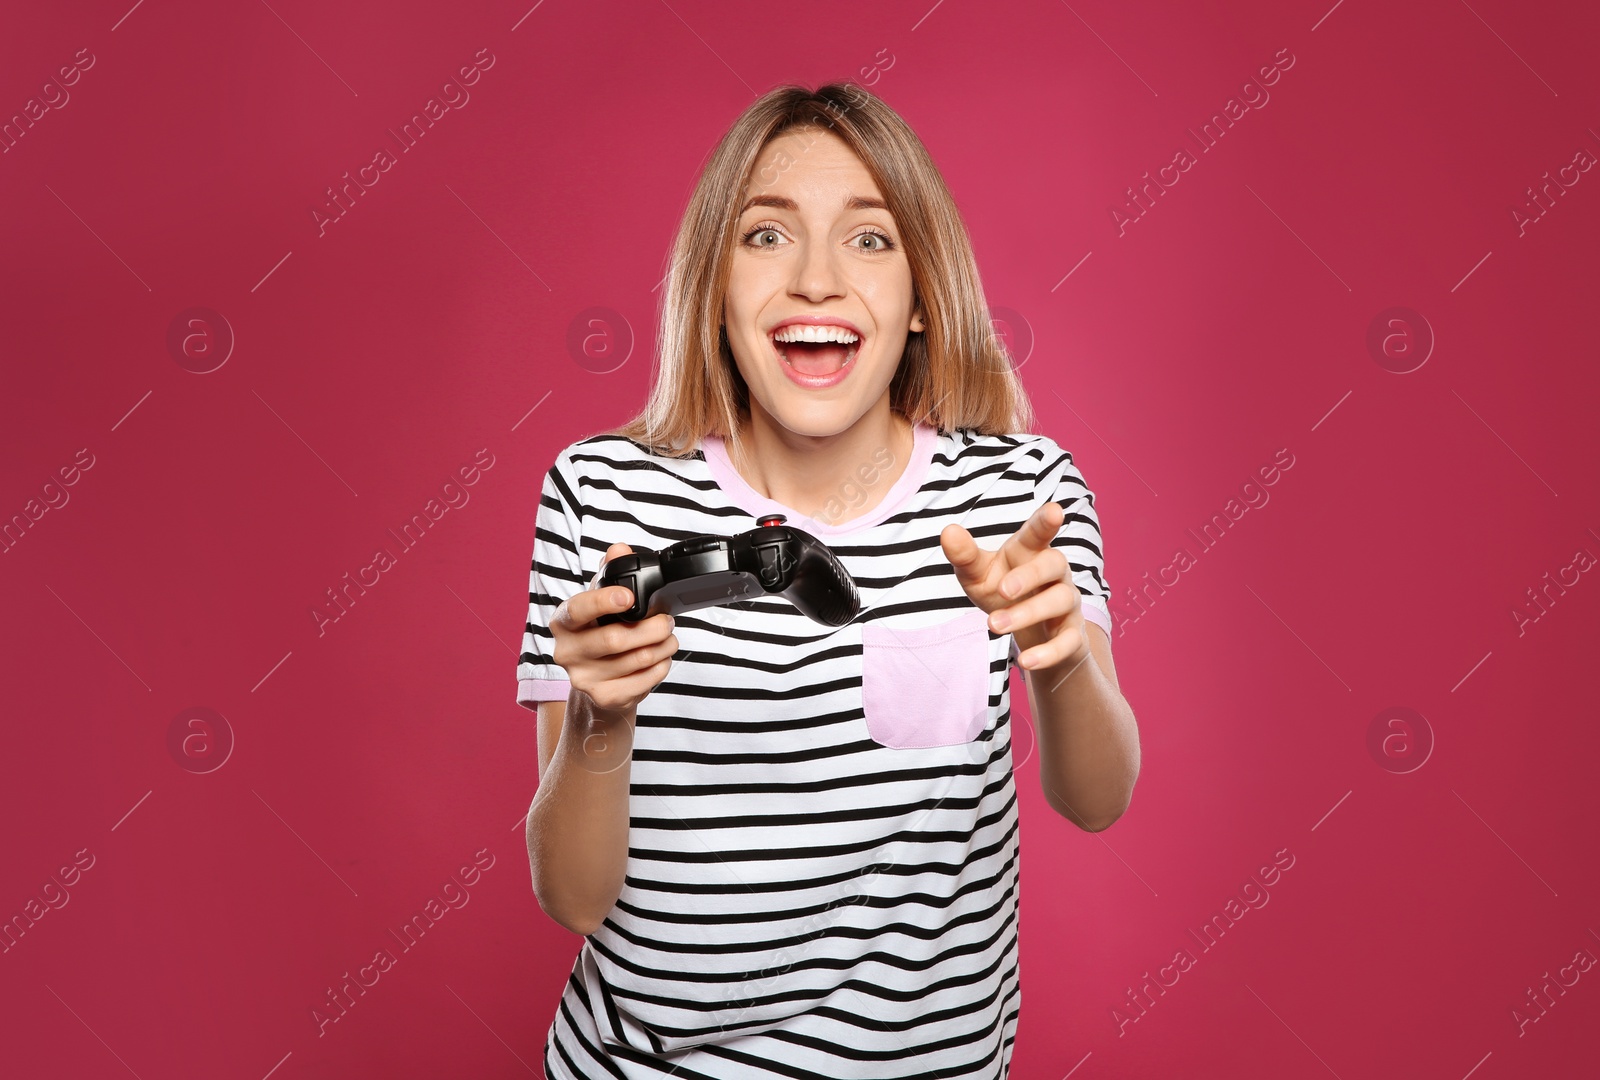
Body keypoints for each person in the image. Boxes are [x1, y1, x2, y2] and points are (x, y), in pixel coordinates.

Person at [518, 81, 1139, 1080]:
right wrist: (597, 717)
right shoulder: (602, 491)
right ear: (713, 291)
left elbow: (1097, 798)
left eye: (869, 239)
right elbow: (573, 898)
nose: (814, 280)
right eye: (766, 237)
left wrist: (1060, 660)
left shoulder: (1021, 491)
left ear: (924, 299)